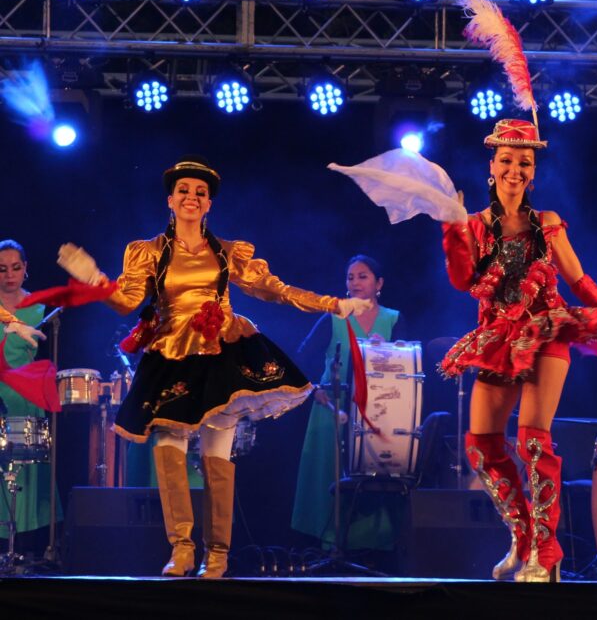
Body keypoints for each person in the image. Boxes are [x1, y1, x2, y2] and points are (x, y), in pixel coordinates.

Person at [56, 156, 370, 578]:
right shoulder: (148, 251)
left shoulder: (226, 252)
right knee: (168, 446)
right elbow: (127, 301)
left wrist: (332, 304)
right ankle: (182, 549)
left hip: (221, 351)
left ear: (209, 205)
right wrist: (96, 279)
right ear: (170, 200)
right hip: (171, 355)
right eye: (184, 190)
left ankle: (217, 553)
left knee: (217, 451)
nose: (192, 197)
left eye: (200, 193)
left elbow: (273, 289)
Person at [441, 118, 597, 582]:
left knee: (533, 441)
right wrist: (452, 229)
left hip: (547, 331)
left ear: (534, 172)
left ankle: (546, 555)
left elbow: (579, 280)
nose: (515, 169)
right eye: (507, 160)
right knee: (481, 446)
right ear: (491, 165)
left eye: (524, 162)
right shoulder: (473, 225)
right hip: (498, 337)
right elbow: (463, 281)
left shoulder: (547, 224)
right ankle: (524, 537)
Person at [292, 254, 401, 548]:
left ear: (379, 283)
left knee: (370, 472)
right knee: (329, 473)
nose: (355, 282)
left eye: (363, 276)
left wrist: (389, 351)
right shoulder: (334, 316)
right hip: (333, 406)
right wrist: (314, 388)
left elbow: (409, 362)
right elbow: (303, 356)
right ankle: (330, 542)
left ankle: (371, 544)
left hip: (378, 408)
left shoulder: (393, 319)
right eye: (350, 277)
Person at [0, 240, 58, 551]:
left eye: (15, 267)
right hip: (0, 399)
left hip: (28, 398)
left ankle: (27, 545)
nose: (9, 275)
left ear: (25, 269)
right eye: (2, 269)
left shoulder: (40, 309)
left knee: (27, 468)